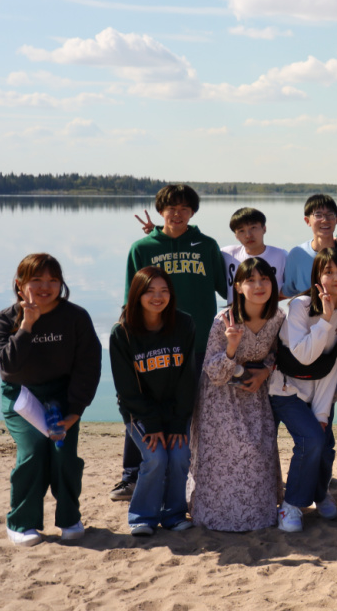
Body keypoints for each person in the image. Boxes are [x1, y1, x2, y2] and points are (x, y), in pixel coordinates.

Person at [117, 185, 227, 502]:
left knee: (195, 408)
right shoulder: (143, 247)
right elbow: (131, 297)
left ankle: (197, 472)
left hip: (200, 339)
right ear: (161, 210)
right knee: (143, 405)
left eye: (183, 208)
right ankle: (131, 476)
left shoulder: (206, 246)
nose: (177, 214)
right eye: (171, 208)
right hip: (154, 341)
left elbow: (227, 285)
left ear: (192, 212)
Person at [0, 254, 102, 546]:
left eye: (53, 280)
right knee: (35, 449)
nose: (45, 287)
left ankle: (69, 518)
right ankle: (21, 522)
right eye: (36, 280)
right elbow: (8, 366)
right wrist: (27, 326)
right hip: (21, 396)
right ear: (20, 285)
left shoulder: (76, 317)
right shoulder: (6, 319)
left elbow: (89, 365)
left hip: (62, 395)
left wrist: (76, 410)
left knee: (63, 454)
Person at [188, 258, 284, 532]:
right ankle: (215, 517)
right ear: (238, 287)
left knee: (258, 452)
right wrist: (231, 348)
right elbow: (212, 372)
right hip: (220, 400)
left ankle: (257, 515)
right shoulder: (224, 320)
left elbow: (278, 354)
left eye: (264, 279)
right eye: (250, 280)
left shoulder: (278, 317)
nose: (258, 286)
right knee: (226, 455)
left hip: (255, 394)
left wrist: (265, 372)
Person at [273, 248, 337, 534]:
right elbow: (305, 356)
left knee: (325, 444)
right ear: (317, 276)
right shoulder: (300, 305)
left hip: (320, 388)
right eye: (329, 271)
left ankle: (320, 493)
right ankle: (292, 504)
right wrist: (324, 319)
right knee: (311, 440)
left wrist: (322, 413)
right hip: (285, 388)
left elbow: (331, 365)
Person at [110, 267, 196, 536]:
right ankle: (143, 516)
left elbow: (187, 378)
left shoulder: (184, 324)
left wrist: (178, 422)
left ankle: (173, 514)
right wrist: (154, 423)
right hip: (139, 412)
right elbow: (127, 388)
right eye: (150, 291)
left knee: (180, 455)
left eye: (164, 291)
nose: (157, 297)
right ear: (137, 294)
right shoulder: (122, 333)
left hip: (176, 410)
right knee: (156, 457)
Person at [221, 207, 288, 303]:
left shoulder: (281, 255)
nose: (248, 235)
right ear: (236, 236)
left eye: (253, 228)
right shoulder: (227, 254)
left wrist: (267, 303)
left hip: (268, 316)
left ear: (264, 229)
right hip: (234, 315)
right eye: (241, 231)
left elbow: (292, 289)